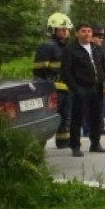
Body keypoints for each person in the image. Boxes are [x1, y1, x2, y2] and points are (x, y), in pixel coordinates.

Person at [62, 22, 105, 157]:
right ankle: (75, 146)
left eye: (89, 31)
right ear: (77, 33)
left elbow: (104, 67)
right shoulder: (70, 50)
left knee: (96, 117)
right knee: (77, 118)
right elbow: (66, 72)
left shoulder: (96, 48)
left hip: (97, 88)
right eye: (83, 31)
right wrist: (75, 88)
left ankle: (95, 144)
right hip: (80, 89)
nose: (87, 34)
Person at [33, 12, 72, 149]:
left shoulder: (67, 46)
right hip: (52, 89)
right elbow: (39, 71)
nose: (65, 32)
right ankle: (39, 145)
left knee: (66, 117)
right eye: (62, 29)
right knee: (48, 118)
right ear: (52, 30)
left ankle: (63, 142)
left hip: (66, 89)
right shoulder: (47, 47)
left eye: (66, 29)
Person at [82, 26, 105, 137]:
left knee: (99, 106)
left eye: (102, 37)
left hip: (100, 83)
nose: (101, 39)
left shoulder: (99, 50)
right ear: (92, 38)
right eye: (98, 37)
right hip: (86, 84)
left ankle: (99, 127)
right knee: (86, 108)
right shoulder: (84, 50)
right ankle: (87, 129)